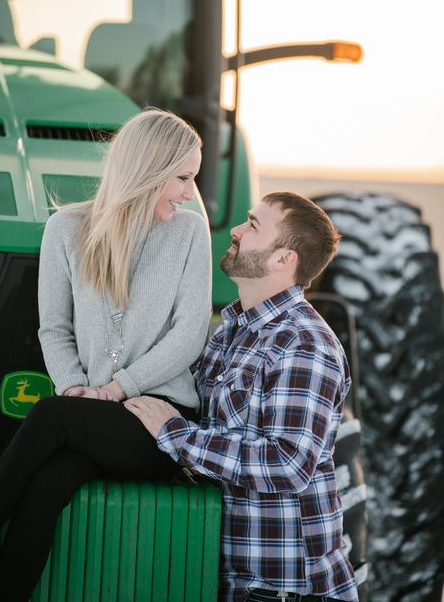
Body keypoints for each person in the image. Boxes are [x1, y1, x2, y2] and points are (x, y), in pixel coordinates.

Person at [0, 108, 212, 601]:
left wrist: (115, 389)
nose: (190, 192)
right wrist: (74, 387)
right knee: (44, 490)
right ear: (147, 170)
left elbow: (190, 336)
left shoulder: (190, 233)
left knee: (50, 418)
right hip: (90, 414)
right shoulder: (66, 229)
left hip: (156, 423)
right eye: (182, 178)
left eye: (194, 178)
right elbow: (53, 329)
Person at [126, 192, 359, 602]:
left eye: (252, 225)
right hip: (235, 582)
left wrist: (175, 434)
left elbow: (287, 464)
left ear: (283, 259)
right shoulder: (232, 331)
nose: (234, 230)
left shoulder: (304, 344)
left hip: (287, 590)